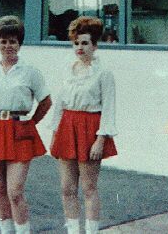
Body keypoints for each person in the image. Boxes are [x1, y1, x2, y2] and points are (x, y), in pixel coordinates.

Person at [0, 15, 52, 234]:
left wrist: (31, 123)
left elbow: (46, 101)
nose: (8, 46)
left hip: (20, 131)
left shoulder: (30, 71)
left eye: (13, 41)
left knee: (15, 191)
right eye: (3, 41)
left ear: (20, 43)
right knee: (0, 188)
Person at [50, 16, 118, 234]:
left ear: (95, 45)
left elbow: (108, 108)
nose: (80, 47)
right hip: (67, 128)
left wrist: (101, 139)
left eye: (85, 43)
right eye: (76, 43)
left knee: (89, 188)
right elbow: (60, 104)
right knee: (67, 188)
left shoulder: (104, 73)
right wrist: (55, 133)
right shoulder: (69, 71)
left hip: (90, 129)